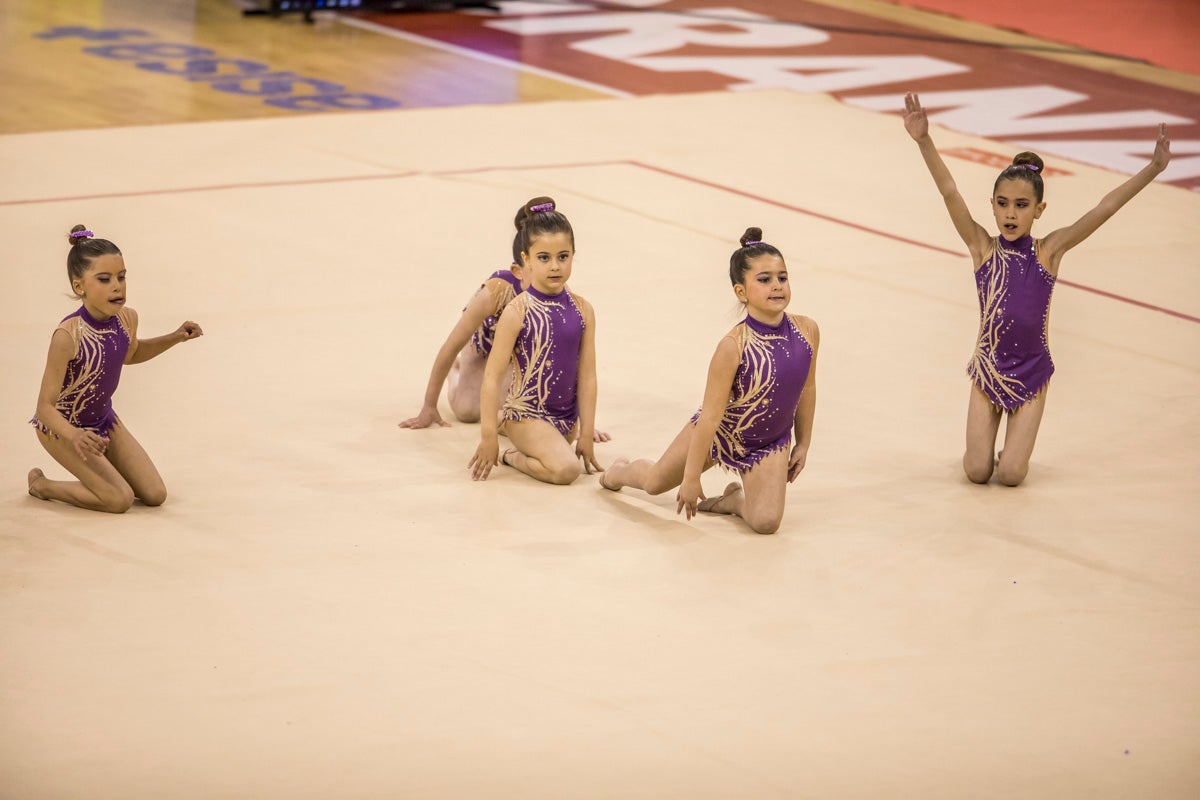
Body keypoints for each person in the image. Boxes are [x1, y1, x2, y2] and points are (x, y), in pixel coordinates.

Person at [902, 92, 1171, 486]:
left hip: (1031, 371)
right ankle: (986, 442)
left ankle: (1011, 449)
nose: (1011, 214)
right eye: (1003, 203)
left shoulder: (1049, 252)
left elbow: (1105, 208)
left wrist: (1153, 168)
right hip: (988, 367)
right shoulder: (982, 248)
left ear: (1039, 209)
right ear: (992, 205)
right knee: (976, 471)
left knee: (1011, 474)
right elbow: (949, 192)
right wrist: (924, 140)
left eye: (1022, 205)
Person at [600, 228, 819, 535]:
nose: (777, 286)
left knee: (766, 522)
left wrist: (804, 442)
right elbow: (711, 416)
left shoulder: (807, 330)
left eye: (782, 277)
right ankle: (620, 471)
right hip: (720, 434)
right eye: (764, 279)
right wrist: (691, 478)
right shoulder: (733, 346)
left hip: (769, 441)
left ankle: (733, 501)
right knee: (654, 483)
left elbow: (806, 389)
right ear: (741, 291)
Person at [26, 226, 204, 512]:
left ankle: (101, 473)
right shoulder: (68, 335)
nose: (117, 286)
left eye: (121, 277)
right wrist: (75, 436)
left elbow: (130, 354)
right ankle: (43, 486)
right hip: (62, 429)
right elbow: (44, 408)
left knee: (155, 494)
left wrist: (175, 337)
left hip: (103, 421)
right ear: (79, 286)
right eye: (104, 279)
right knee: (119, 499)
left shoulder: (126, 318)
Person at [398, 203, 610, 442]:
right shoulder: (496, 292)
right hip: (483, 351)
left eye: (561, 258)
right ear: (519, 270)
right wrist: (429, 406)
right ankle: (458, 372)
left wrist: (582, 424)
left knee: (511, 406)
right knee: (467, 411)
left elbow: (573, 364)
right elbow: (452, 344)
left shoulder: (559, 296)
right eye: (542, 261)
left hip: (520, 356)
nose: (552, 270)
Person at [469, 197, 602, 484]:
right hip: (526, 416)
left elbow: (587, 376)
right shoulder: (518, 311)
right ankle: (512, 456)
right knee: (567, 470)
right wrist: (489, 435)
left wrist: (587, 432)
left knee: (565, 462)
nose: (555, 266)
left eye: (563, 257)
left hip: (567, 421)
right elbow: (491, 377)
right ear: (526, 260)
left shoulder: (583, 310)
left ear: (573, 254)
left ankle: (546, 445)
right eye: (544, 258)